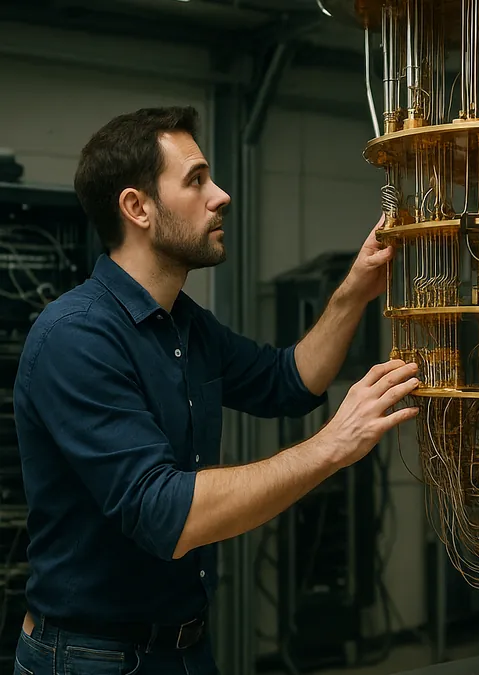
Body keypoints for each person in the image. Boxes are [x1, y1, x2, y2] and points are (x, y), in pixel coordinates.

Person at [12, 107, 420, 675]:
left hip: (185, 648)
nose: (221, 195)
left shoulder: (185, 324)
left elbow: (287, 381)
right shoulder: (75, 337)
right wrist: (332, 445)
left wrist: (354, 290)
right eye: (196, 180)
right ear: (137, 208)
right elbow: (164, 512)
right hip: (91, 658)